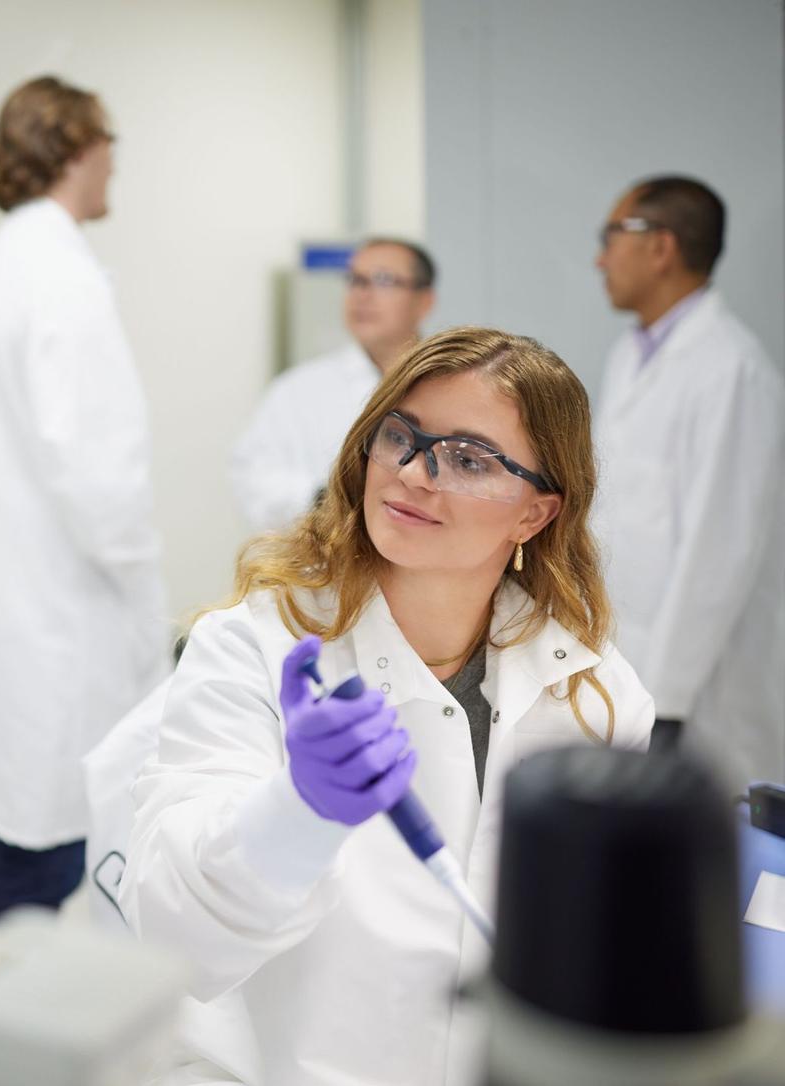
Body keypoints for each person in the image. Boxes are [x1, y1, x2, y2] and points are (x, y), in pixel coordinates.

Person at [120, 328, 653, 1085]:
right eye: (400, 437)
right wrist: (299, 812)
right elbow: (177, 936)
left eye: (468, 459)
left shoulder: (597, 697)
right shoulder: (253, 648)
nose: (412, 473)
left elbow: (608, 949)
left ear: (535, 514)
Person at [0, 75, 168, 923]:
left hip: (25, 599)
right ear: (76, 147)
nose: (113, 167)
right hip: (67, 611)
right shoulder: (58, 273)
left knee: (33, 833)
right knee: (58, 844)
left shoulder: (3, 263)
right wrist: (147, 594)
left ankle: (10, 1024)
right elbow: (95, 469)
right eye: (109, 145)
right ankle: (19, 1039)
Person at [593, 176, 785, 781]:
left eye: (612, 236)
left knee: (719, 859)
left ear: (661, 247)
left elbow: (719, 550)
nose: (600, 258)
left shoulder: (732, 368)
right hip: (628, 662)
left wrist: (667, 701)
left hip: (697, 692)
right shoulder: (631, 354)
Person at [231, 238, 435, 532]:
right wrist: (327, 498)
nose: (362, 295)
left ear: (425, 300)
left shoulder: (450, 386)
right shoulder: (297, 390)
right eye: (355, 280)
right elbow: (253, 479)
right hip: (328, 566)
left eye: (383, 280)